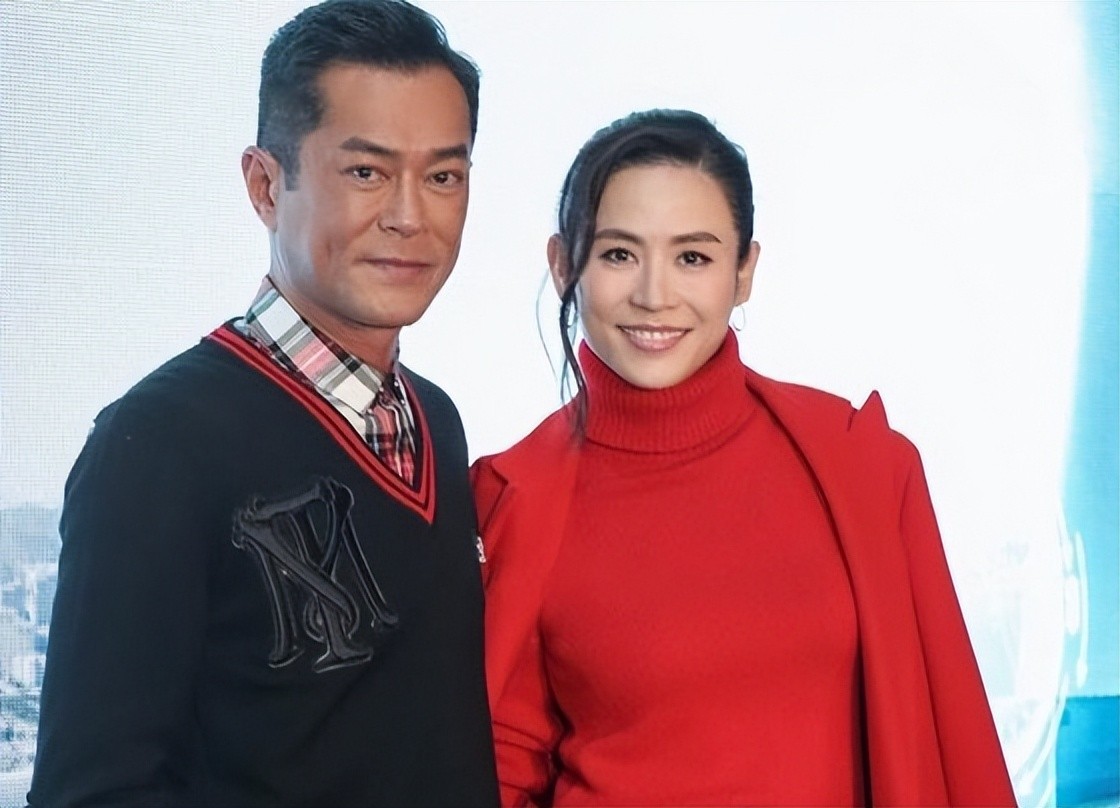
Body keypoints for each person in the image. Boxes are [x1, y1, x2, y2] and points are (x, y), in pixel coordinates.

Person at [472, 109, 1017, 806]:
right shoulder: (510, 499)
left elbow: (955, 743)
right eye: (618, 255)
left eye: (692, 258)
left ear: (745, 271)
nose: (654, 295)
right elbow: (502, 764)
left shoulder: (863, 466)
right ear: (562, 265)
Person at [29, 1, 499, 805]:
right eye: (366, 172)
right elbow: (94, 790)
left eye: (443, 176)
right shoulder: (158, 444)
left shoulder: (435, 421)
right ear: (265, 185)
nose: (409, 216)